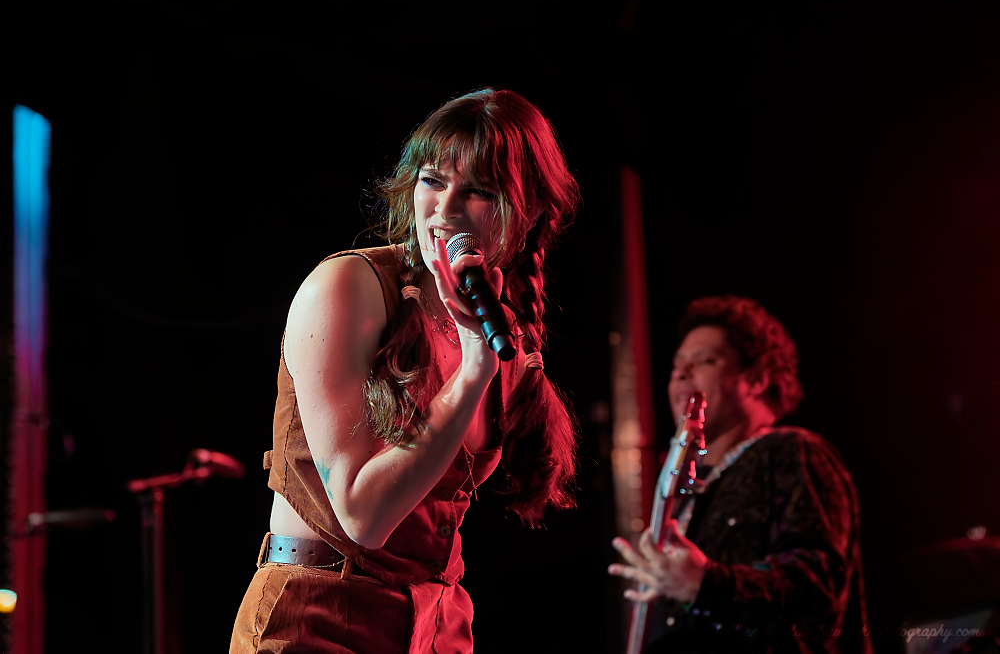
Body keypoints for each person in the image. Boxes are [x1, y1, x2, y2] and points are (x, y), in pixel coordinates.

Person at [230, 88, 579, 653]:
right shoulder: (348, 288)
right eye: (432, 180)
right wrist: (473, 372)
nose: (443, 211)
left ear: (529, 213)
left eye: (478, 192)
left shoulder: (494, 320)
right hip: (318, 617)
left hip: (435, 624)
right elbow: (362, 516)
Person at [609, 295, 871, 654]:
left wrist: (704, 585)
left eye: (704, 361)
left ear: (757, 378)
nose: (681, 374)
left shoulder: (790, 451)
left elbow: (818, 586)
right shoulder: (689, 486)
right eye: (676, 367)